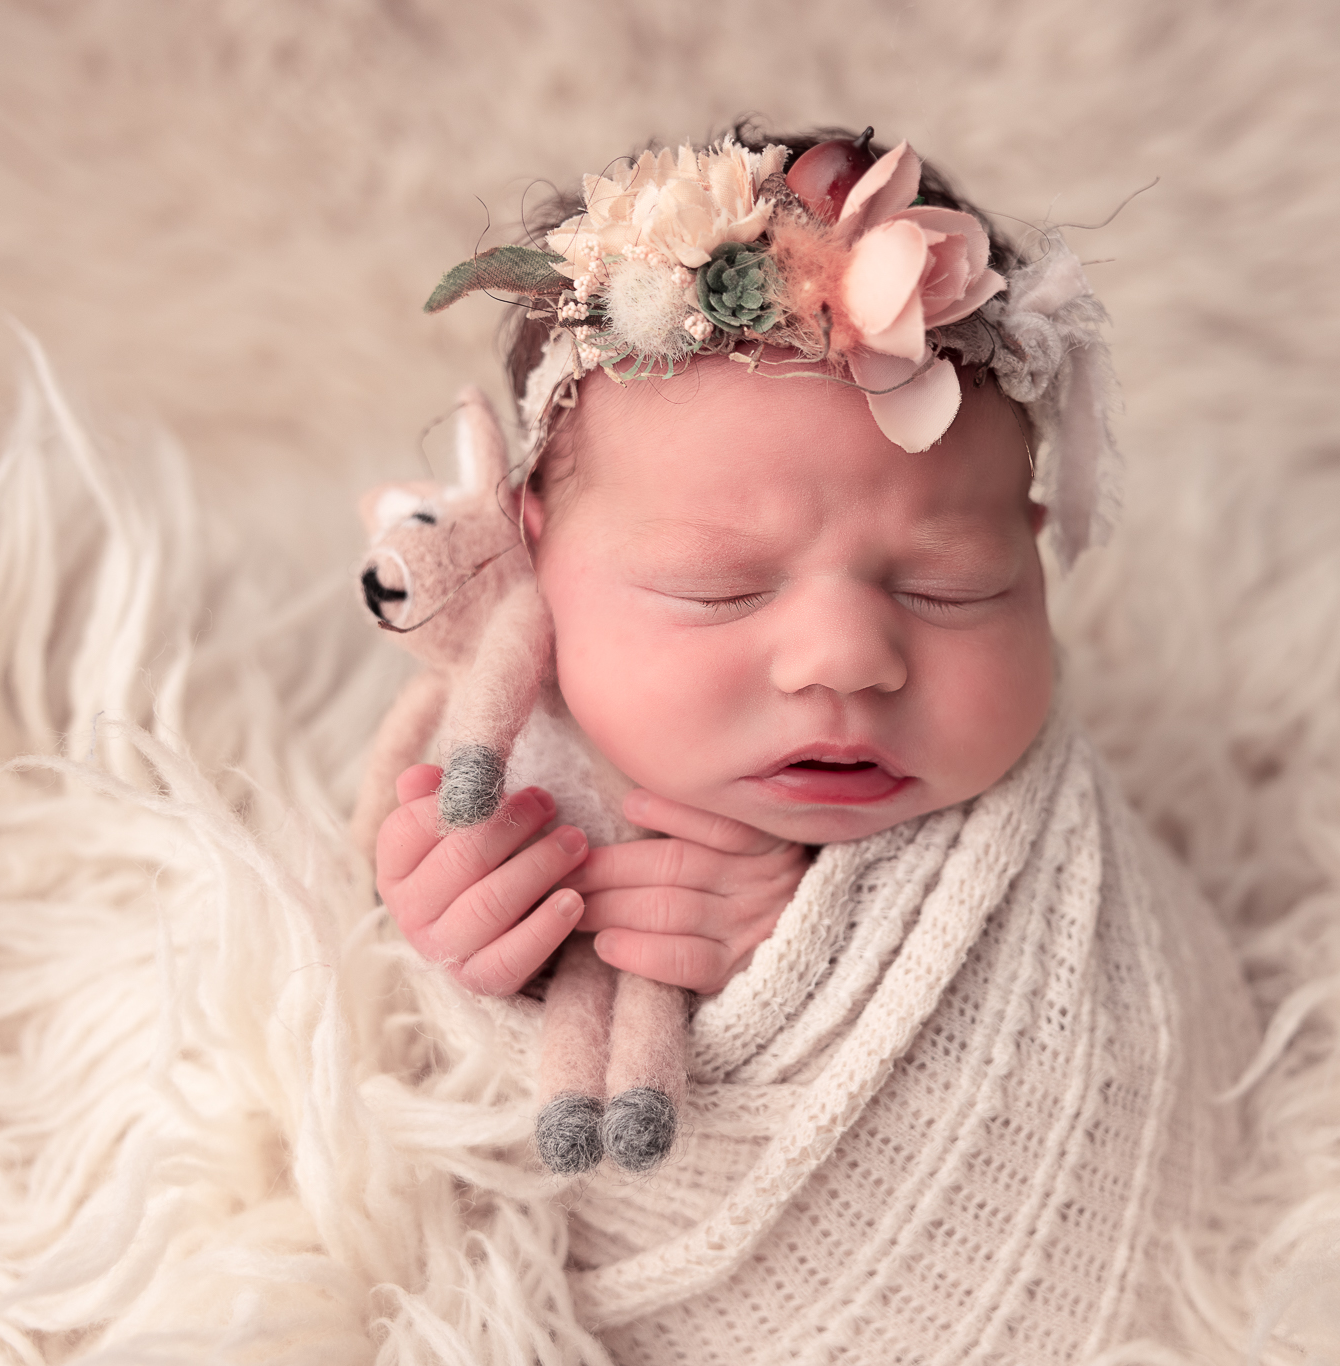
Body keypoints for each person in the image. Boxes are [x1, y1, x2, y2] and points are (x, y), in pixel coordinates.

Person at [368, 125, 1256, 1363]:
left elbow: (1148, 1060)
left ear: (1034, 549)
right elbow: (385, 1118)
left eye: (950, 586)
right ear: (533, 553)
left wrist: (798, 945)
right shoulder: (509, 766)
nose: (845, 658)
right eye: (718, 588)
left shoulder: (1042, 845)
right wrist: (462, 941)